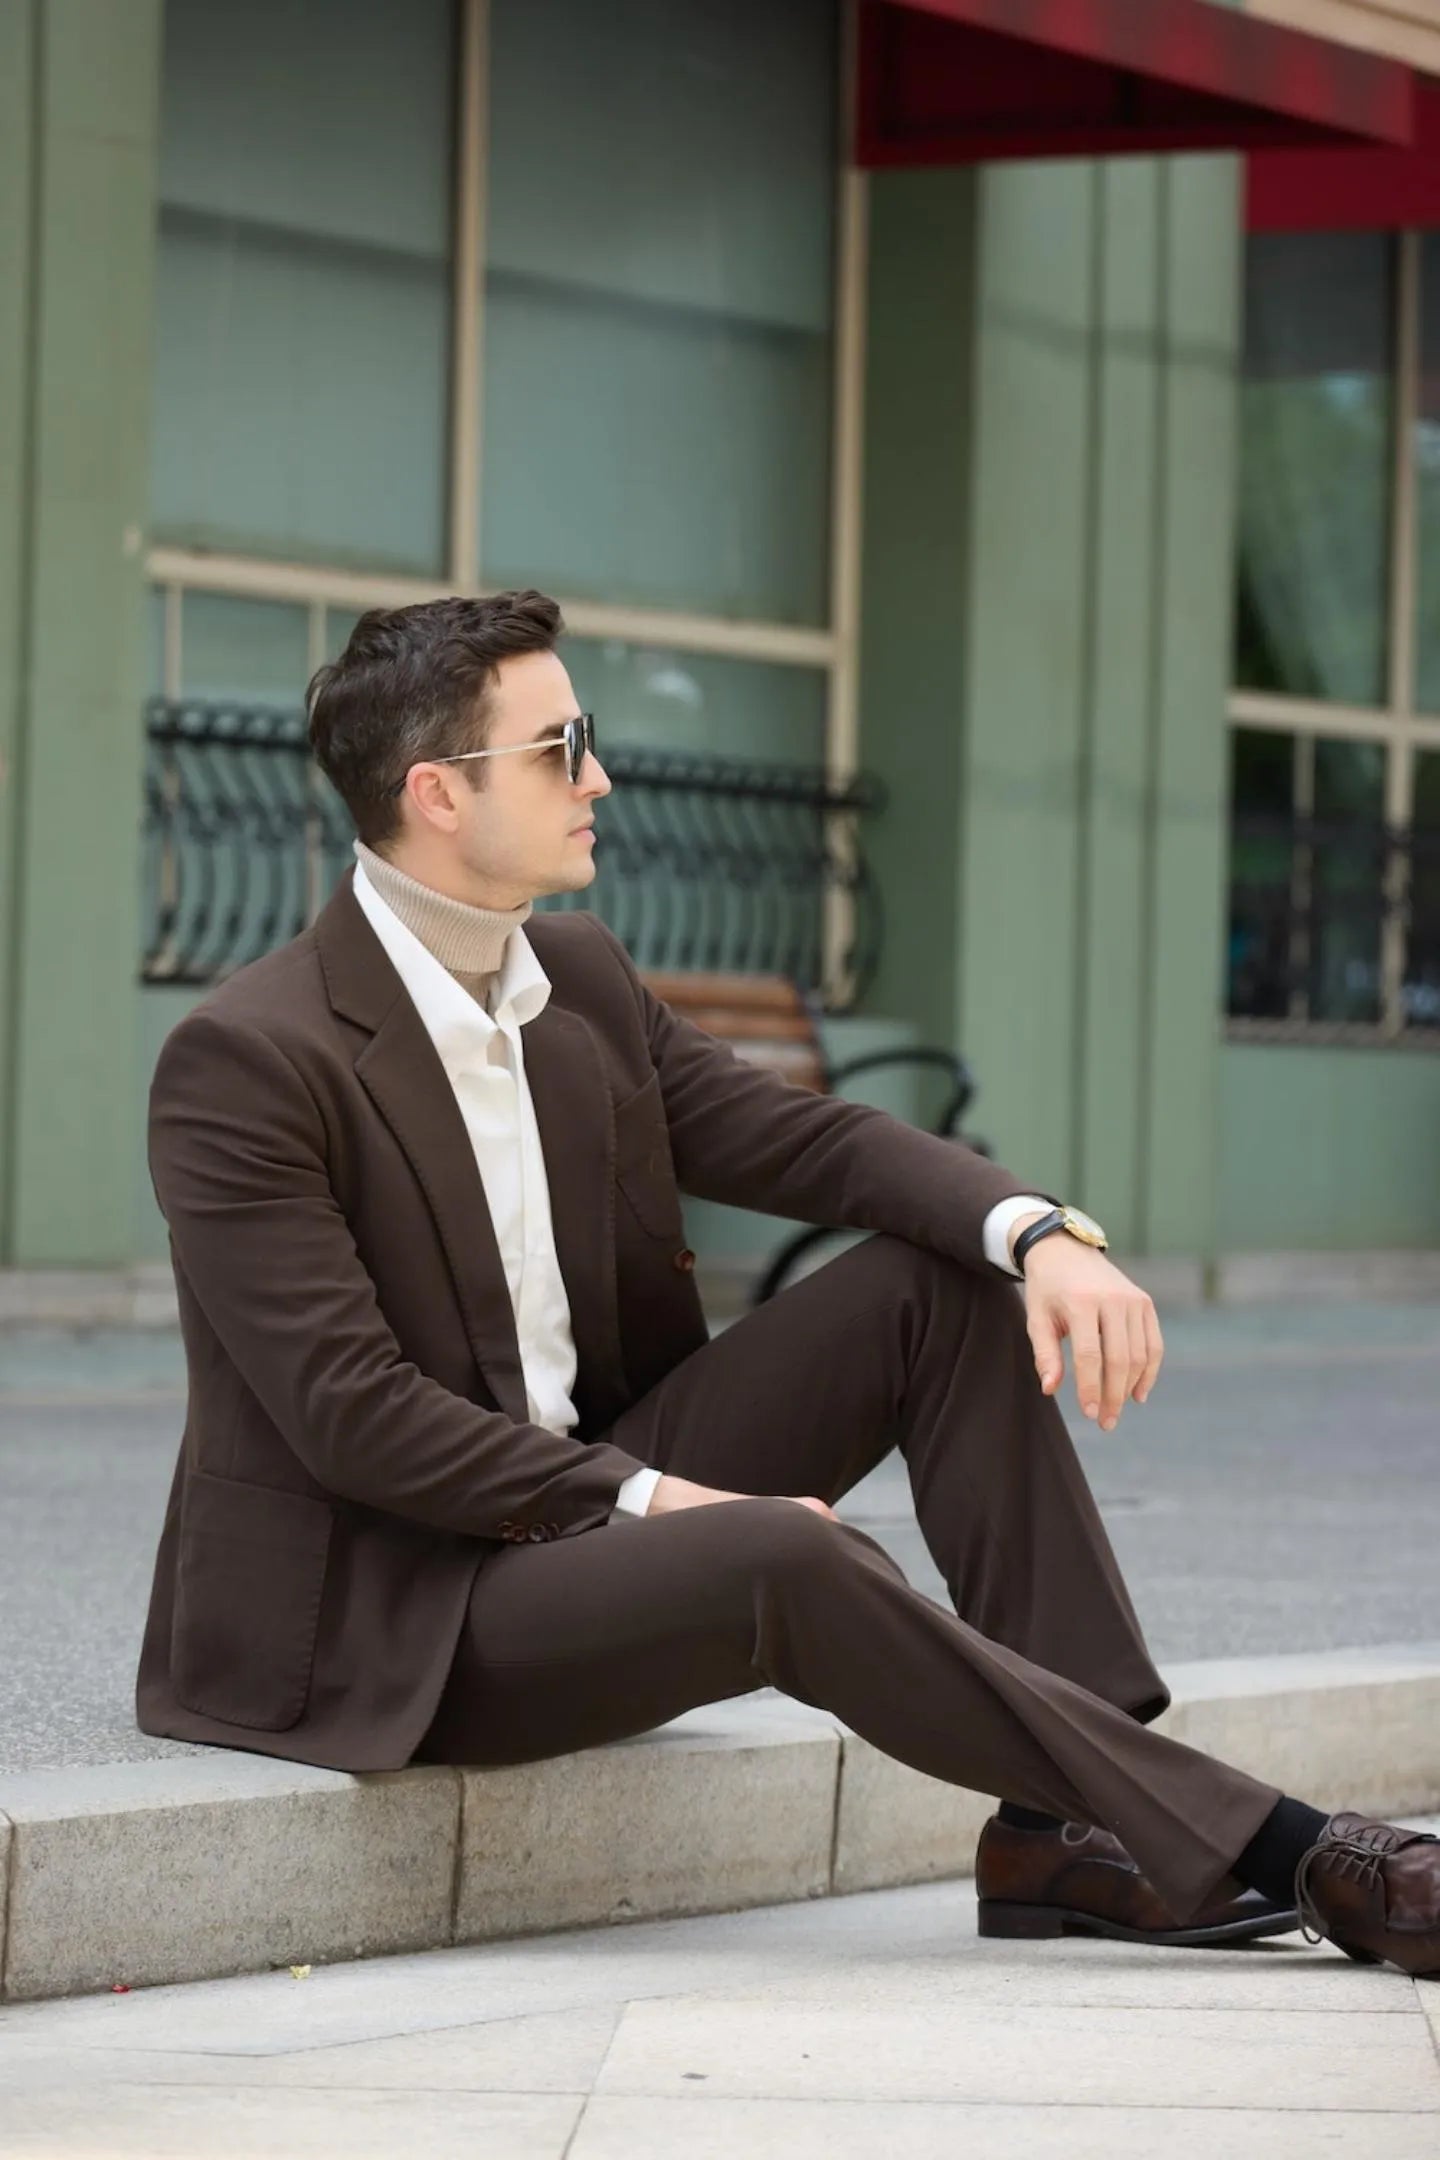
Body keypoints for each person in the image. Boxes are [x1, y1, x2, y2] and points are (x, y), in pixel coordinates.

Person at [137, 592, 1437, 1980]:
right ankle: (1287, 1848)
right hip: (405, 1613)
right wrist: (651, 1501)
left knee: (940, 1291)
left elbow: (806, 1140)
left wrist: (1037, 1232)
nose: (602, 777)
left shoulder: (575, 979)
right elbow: (352, 1414)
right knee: (788, 1552)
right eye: (561, 747)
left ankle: (1076, 1829)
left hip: (584, 1521)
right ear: (439, 795)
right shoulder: (249, 1060)